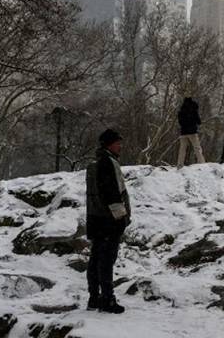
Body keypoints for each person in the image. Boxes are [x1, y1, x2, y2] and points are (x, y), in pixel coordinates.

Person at [86, 129, 131, 314]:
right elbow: (112, 193)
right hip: (108, 220)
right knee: (106, 261)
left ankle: (94, 298)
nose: (120, 145)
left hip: (96, 219)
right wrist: (120, 217)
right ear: (108, 144)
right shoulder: (108, 162)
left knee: (96, 258)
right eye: (117, 142)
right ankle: (107, 299)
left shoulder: (97, 161)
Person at [176, 96, 205, 167]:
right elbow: (199, 121)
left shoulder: (181, 110)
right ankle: (202, 163)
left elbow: (180, 122)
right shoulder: (194, 109)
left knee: (182, 149)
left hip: (183, 132)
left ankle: (180, 164)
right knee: (197, 147)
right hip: (192, 132)